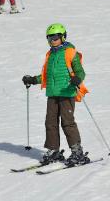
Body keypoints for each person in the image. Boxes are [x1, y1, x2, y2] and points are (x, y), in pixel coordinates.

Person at [22, 23, 90, 166]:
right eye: (49, 38)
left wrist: (77, 79)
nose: (52, 40)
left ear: (63, 37)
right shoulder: (50, 54)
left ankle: (77, 152)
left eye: (55, 37)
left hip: (67, 92)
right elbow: (46, 75)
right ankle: (54, 151)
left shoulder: (70, 52)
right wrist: (33, 80)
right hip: (52, 94)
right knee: (50, 122)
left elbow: (80, 71)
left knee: (67, 122)